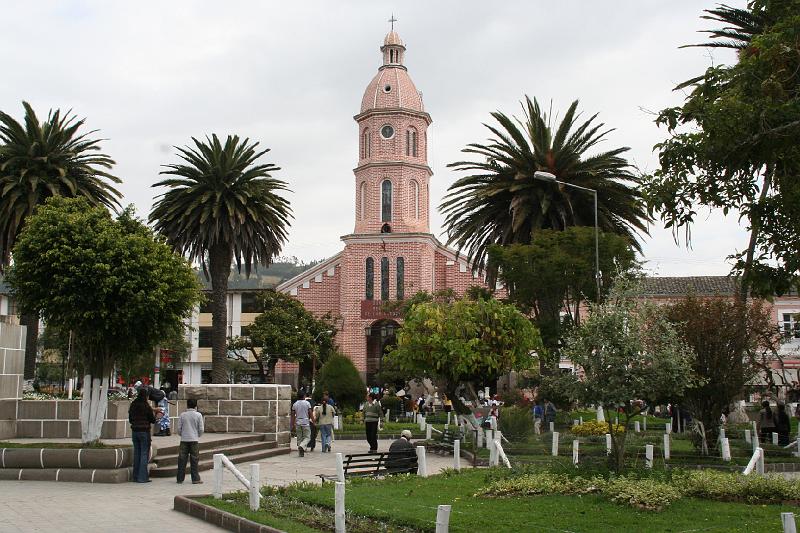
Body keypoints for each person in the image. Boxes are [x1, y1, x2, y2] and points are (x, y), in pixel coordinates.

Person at [128, 387, 155, 483]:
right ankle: (142, 477)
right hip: (144, 431)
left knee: (137, 453)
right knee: (144, 454)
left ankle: (135, 476)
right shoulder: (146, 406)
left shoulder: (133, 404)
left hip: (135, 431)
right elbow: (152, 420)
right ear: (146, 396)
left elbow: (130, 419)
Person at [176, 398, 204, 484]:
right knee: (194, 459)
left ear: (187, 405)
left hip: (184, 439)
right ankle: (195, 478)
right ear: (196, 406)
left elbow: (179, 428)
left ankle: (180, 478)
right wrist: (197, 435)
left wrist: (182, 434)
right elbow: (201, 429)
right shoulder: (198, 415)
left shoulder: (182, 415)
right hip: (194, 440)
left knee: (182, 459)